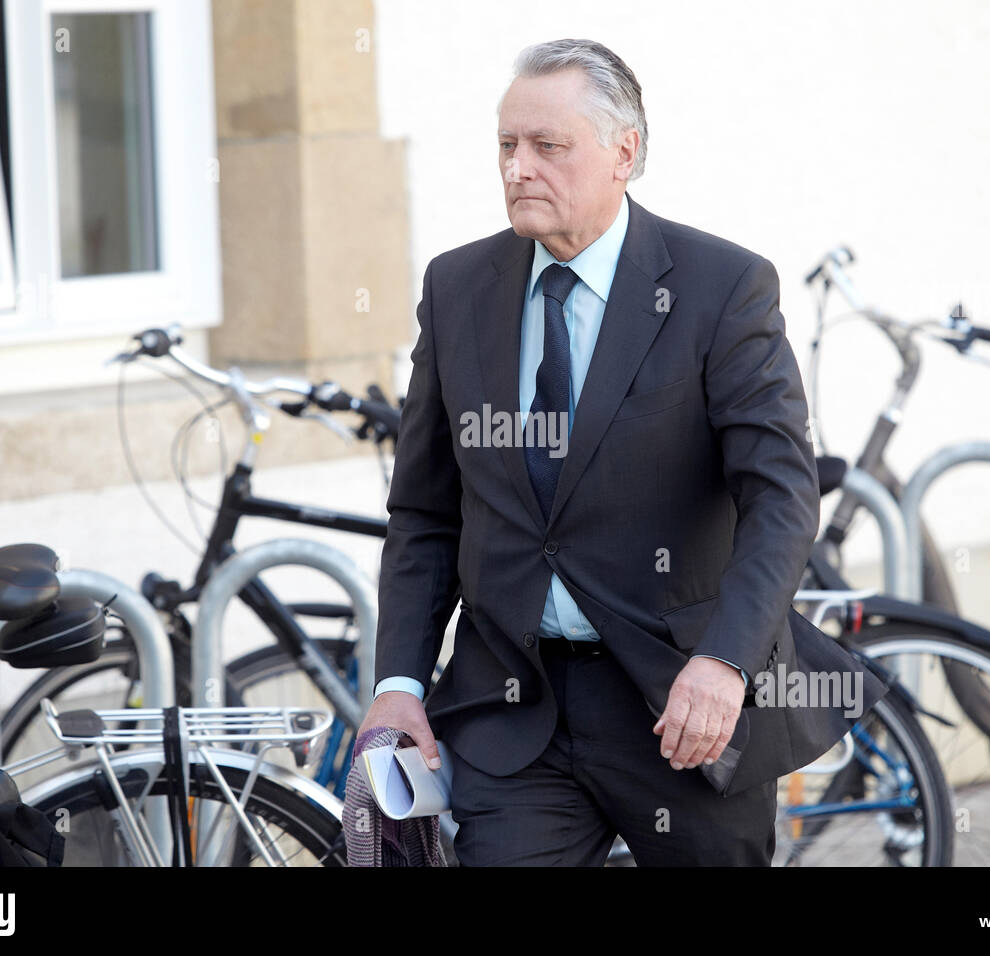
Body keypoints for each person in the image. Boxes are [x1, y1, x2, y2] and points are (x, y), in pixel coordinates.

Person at [358, 37, 886, 866]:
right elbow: (426, 512)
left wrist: (724, 663)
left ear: (624, 153)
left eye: (547, 146)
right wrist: (398, 687)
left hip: (682, 708)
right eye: (506, 145)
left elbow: (780, 498)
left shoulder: (722, 288)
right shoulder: (456, 288)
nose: (518, 168)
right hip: (513, 715)